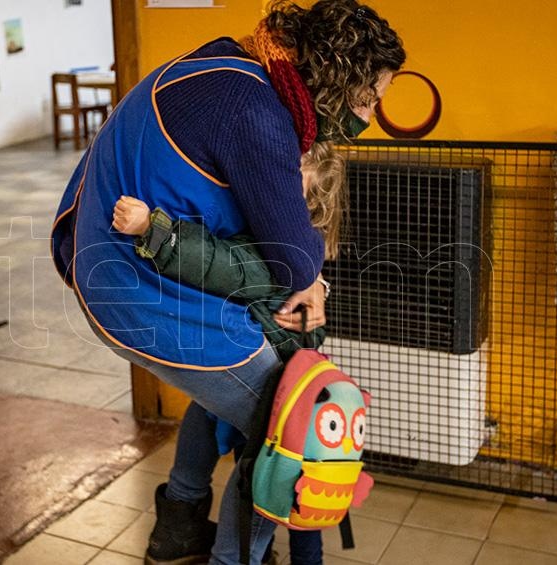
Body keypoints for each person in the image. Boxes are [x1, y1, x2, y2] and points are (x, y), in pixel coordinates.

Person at [51, 1, 404, 562]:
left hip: (109, 262)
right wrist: (311, 279)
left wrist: (305, 276)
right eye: (369, 96)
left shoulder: (231, 60)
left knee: (223, 398)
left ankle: (178, 530)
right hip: (144, 289)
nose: (373, 111)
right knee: (288, 432)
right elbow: (295, 260)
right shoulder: (255, 112)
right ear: (337, 81)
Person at [111, 143, 343, 564]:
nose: (269, 194)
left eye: (287, 192)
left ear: (307, 206)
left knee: (264, 472)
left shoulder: (283, 256)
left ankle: (221, 552)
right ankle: (181, 528)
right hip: (272, 372)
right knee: (209, 417)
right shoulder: (295, 252)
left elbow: (217, 262)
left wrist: (151, 228)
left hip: (277, 387)